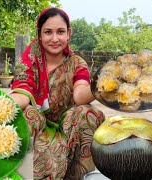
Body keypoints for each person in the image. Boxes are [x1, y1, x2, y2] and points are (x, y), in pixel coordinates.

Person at [10, 7, 105, 179]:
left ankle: (79, 176)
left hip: (68, 125)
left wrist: (102, 86)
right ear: (39, 35)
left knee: (89, 113)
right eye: (48, 32)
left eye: (60, 32)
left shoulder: (77, 63)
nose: (55, 39)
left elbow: (80, 95)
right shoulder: (28, 60)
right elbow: (22, 92)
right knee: (24, 114)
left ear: (69, 33)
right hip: (37, 123)